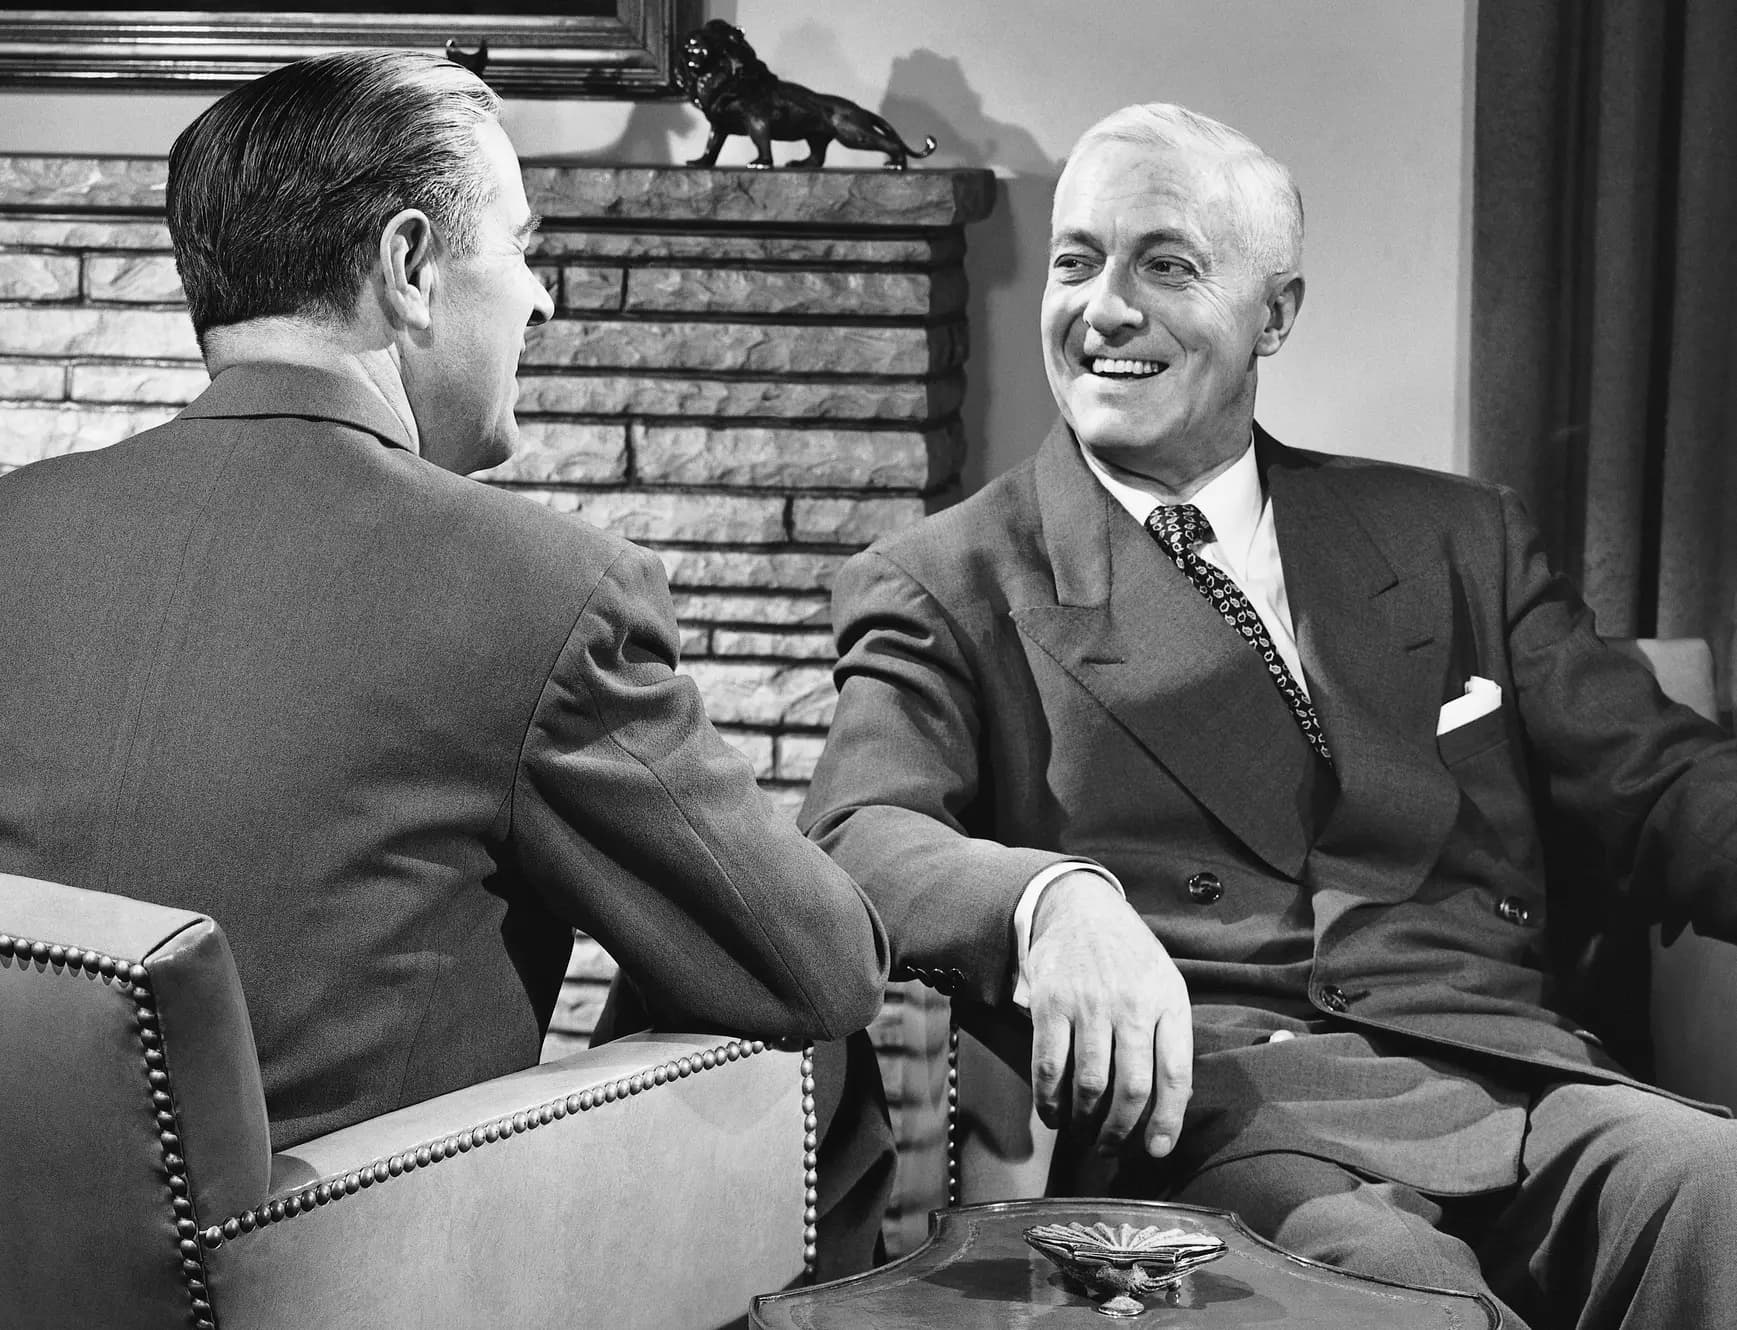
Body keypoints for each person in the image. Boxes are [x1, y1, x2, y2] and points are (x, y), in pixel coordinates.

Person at [800, 101, 1737, 1326]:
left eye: (1166, 265)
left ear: (1275, 314)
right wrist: (1051, 900)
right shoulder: (950, 578)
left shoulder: (1456, 535)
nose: (1105, 308)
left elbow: (1664, 783)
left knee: (1719, 1190)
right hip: (1225, 1118)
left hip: (1510, 1069)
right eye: (1077, 261)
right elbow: (856, 832)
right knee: (1392, 1299)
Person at [0, 49, 887, 1164]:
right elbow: (819, 967)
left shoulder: (15, 526)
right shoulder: (543, 590)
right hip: (350, 1244)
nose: (542, 299)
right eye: (521, 248)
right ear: (411, 264)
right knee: (831, 1076)